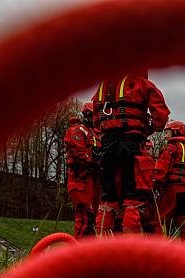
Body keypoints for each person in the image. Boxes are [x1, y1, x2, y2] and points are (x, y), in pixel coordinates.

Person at [91, 73, 170, 234]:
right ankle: (133, 250)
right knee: (132, 200)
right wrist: (147, 129)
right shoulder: (141, 83)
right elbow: (161, 116)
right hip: (131, 144)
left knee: (108, 201)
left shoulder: (102, 86)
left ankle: (102, 246)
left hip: (107, 147)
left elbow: (95, 120)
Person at [154, 120, 185, 240]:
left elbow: (161, 170)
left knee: (162, 220)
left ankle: (161, 250)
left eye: (167, 132)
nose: (165, 136)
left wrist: (156, 184)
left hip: (173, 189)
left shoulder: (171, 148)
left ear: (175, 132)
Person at [64, 102, 101, 237]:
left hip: (93, 180)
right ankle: (79, 250)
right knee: (85, 218)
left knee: (92, 219)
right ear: (89, 115)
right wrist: (93, 161)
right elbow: (78, 151)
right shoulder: (78, 130)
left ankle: (89, 251)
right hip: (81, 179)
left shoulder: (96, 134)